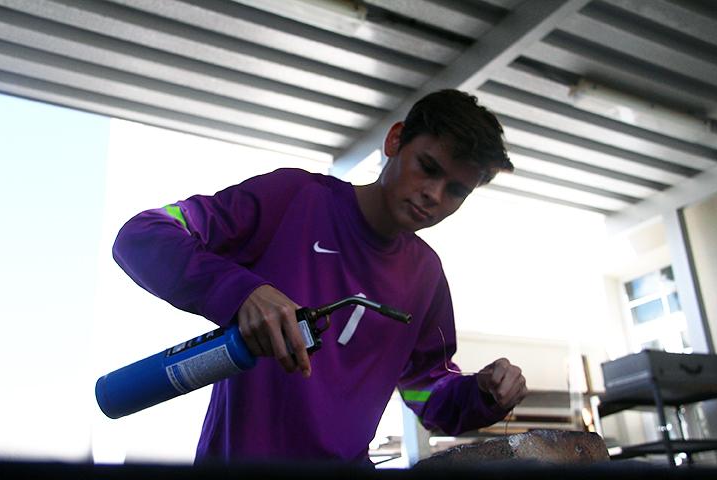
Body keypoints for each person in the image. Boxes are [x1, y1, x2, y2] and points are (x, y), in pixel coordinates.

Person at [112, 89, 528, 464]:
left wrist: (484, 395)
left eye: (456, 190)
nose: (434, 195)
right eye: (428, 167)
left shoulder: (426, 277)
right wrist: (242, 292)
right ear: (395, 140)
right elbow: (142, 235)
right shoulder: (295, 199)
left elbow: (428, 390)